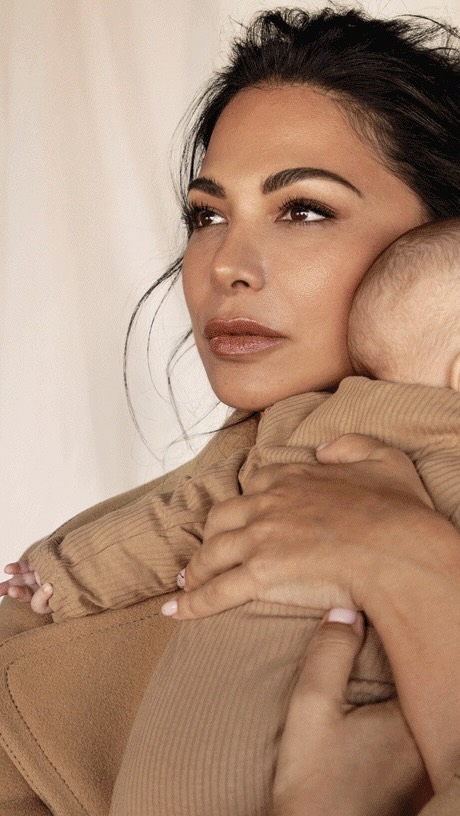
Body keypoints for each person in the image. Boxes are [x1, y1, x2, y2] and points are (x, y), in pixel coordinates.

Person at [0, 7, 459, 816]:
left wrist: (418, 568)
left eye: (304, 209)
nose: (226, 266)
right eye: (207, 216)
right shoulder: (130, 540)